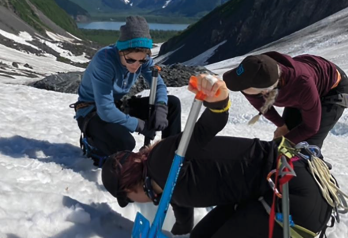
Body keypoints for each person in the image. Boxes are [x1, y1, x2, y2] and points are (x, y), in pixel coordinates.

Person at [101, 74, 334, 237]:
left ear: (129, 187)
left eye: (129, 199)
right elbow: (183, 216)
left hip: (294, 194)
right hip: (273, 191)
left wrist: (218, 100)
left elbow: (208, 126)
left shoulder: (162, 161)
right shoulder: (165, 184)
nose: (135, 202)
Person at [72, 16, 181, 166]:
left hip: (117, 105)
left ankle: (169, 157)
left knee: (172, 104)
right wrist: (138, 125)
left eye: (142, 60)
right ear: (120, 50)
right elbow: (105, 110)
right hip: (92, 111)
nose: (136, 65)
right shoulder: (104, 61)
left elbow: (159, 86)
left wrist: (161, 106)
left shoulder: (142, 58)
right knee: (125, 143)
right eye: (130, 60)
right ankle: (94, 144)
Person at [222, 51, 348, 148]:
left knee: (306, 146)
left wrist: (282, 144)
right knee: (285, 138)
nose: (240, 88)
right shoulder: (259, 67)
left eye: (243, 86)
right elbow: (261, 105)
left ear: (265, 90)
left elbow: (311, 128)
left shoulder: (302, 85)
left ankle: (311, 178)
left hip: (333, 90)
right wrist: (282, 126)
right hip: (306, 84)